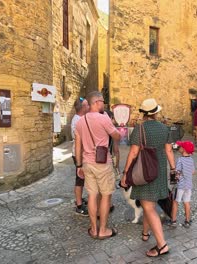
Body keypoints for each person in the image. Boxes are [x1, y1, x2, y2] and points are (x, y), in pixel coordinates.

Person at [121, 98, 175, 257]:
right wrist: (173, 169)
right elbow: (169, 151)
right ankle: (145, 233)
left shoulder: (140, 129)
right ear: (156, 112)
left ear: (144, 113)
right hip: (159, 173)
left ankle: (162, 245)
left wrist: (125, 174)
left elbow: (133, 153)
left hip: (144, 172)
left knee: (148, 206)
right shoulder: (164, 129)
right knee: (148, 204)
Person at [75, 91, 120, 240]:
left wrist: (78, 166)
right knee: (106, 195)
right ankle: (103, 230)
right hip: (102, 163)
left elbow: (78, 146)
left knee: (92, 195)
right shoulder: (104, 118)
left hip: (87, 163)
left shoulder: (80, 121)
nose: (104, 104)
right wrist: (114, 125)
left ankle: (93, 229)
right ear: (96, 102)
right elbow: (117, 136)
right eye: (102, 102)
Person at [168, 140, 195, 228]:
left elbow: (177, 172)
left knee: (175, 202)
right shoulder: (191, 160)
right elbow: (193, 171)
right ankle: (187, 221)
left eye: (180, 147)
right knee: (187, 202)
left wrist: (173, 178)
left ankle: (173, 220)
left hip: (180, 186)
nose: (179, 148)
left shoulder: (180, 159)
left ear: (183, 150)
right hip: (189, 186)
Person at [71, 97, 89, 216]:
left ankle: (80, 198)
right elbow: (80, 142)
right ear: (82, 108)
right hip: (79, 155)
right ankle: (79, 205)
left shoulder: (80, 118)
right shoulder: (78, 121)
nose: (89, 107)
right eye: (87, 105)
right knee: (80, 179)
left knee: (82, 179)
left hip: (81, 153)